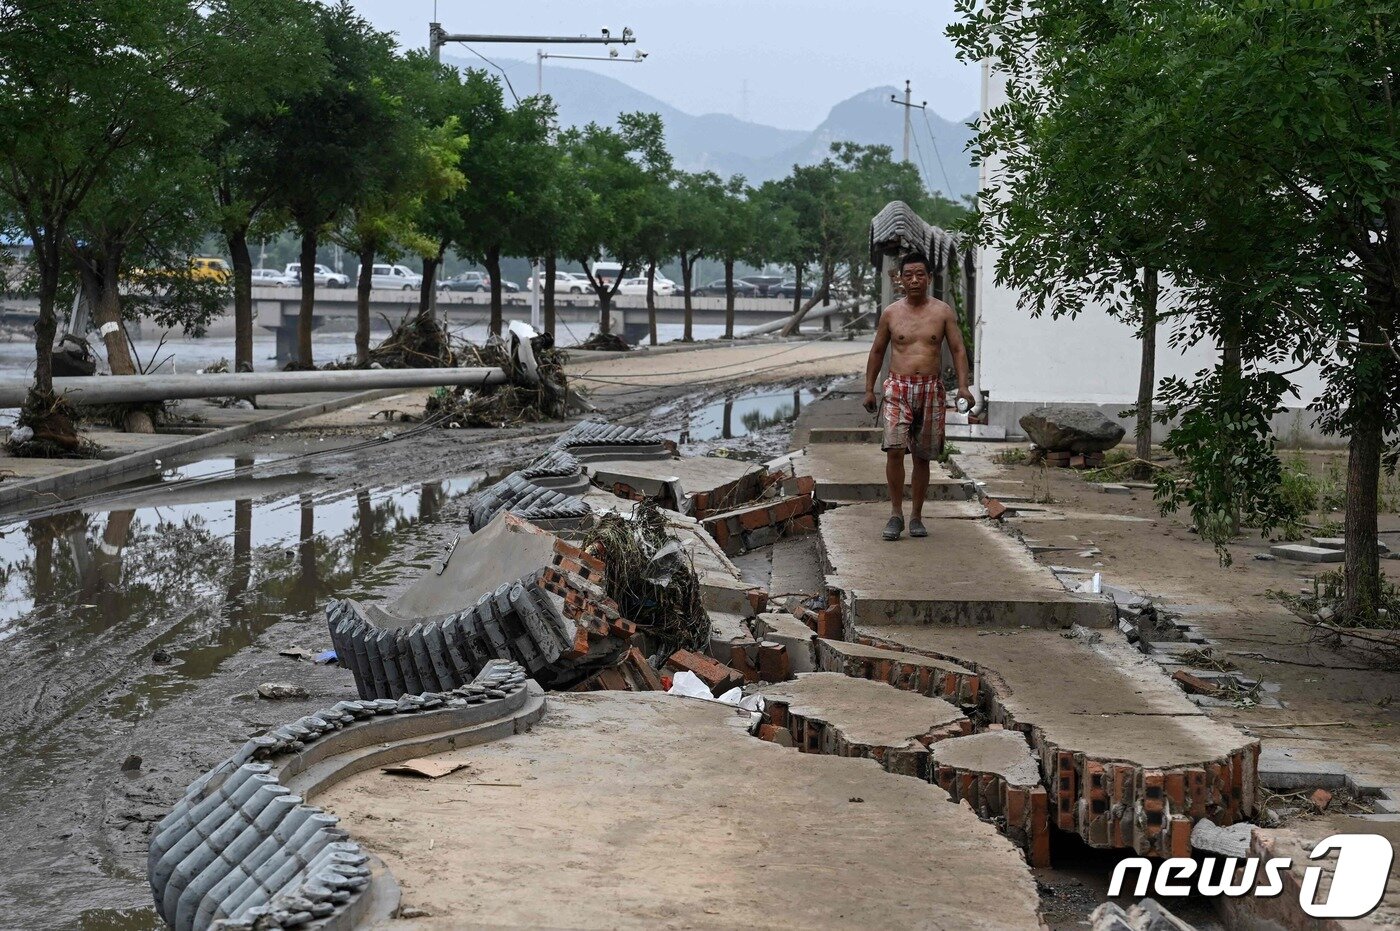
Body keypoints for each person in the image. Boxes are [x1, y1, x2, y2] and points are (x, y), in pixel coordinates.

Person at [862, 252, 973, 541]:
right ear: (900, 279)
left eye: (920, 274)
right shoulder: (891, 313)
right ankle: (896, 513)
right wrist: (869, 388)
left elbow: (958, 349)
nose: (914, 280)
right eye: (908, 275)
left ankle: (916, 516)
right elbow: (877, 350)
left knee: (923, 456)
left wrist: (963, 386)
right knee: (895, 449)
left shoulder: (942, 312)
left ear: (929, 278)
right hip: (897, 388)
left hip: (930, 389)